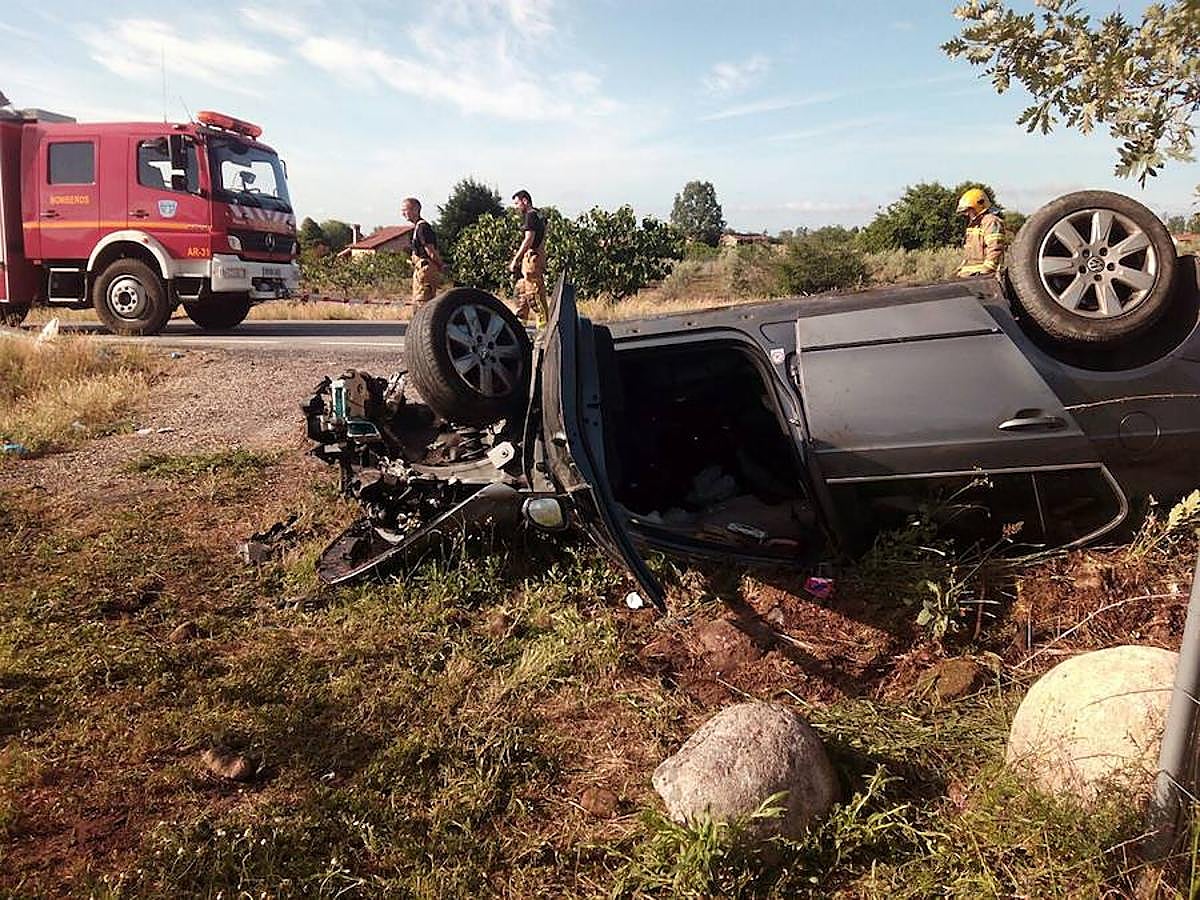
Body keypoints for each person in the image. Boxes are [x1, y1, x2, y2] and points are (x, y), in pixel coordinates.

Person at [509, 189, 548, 324]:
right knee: (522, 295)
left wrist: (516, 259)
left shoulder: (530, 216)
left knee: (535, 298)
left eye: (517, 204)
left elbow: (529, 239)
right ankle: (521, 327)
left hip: (532, 259)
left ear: (525, 201)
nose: (516, 207)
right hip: (535, 258)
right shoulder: (540, 215)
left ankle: (543, 334)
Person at [402, 197, 445, 305]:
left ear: (416, 209)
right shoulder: (417, 227)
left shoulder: (423, 227)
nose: (403, 213)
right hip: (420, 268)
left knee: (423, 300)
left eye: (406, 209)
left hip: (425, 268)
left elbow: (430, 251)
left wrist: (441, 265)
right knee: (418, 299)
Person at [956, 188, 1007, 277]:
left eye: (968, 210)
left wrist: (986, 271)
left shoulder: (991, 222)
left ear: (978, 206)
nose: (966, 214)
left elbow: (995, 248)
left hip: (982, 277)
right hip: (970, 275)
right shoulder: (974, 225)